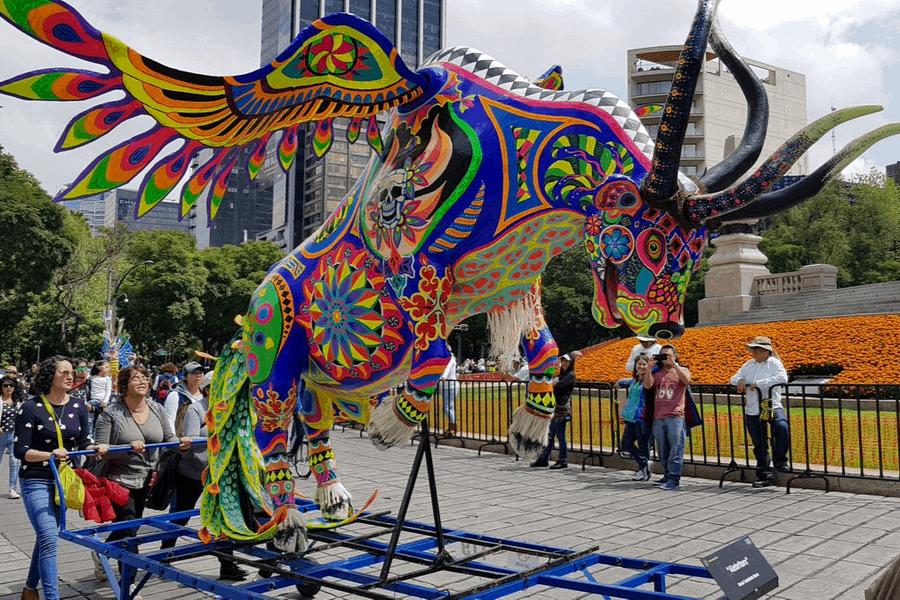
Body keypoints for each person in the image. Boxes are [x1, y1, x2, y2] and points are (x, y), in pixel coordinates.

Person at [14, 356, 108, 600]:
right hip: (35, 479)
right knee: (48, 537)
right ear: (50, 377)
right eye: (63, 372)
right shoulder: (30, 407)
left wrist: (96, 447)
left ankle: (28, 589)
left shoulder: (78, 405)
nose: (70, 376)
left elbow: (84, 441)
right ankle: (52, 596)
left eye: (71, 372)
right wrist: (49, 453)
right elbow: (20, 450)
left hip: (64, 480)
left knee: (46, 537)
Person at [94, 365, 190, 580]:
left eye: (145, 378)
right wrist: (126, 448)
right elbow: (100, 451)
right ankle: (128, 585)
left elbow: (169, 437)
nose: (143, 381)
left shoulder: (156, 408)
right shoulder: (111, 413)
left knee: (131, 526)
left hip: (147, 479)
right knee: (129, 531)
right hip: (118, 481)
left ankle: (101, 552)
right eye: (136, 378)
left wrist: (181, 443)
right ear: (124, 385)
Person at [159, 371, 248, 580]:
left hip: (219, 474)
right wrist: (216, 431)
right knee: (181, 515)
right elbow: (190, 440)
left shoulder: (230, 409)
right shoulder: (196, 409)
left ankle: (227, 565)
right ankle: (164, 555)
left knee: (223, 517)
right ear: (209, 389)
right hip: (192, 472)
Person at [730, 336, 790, 487]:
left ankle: (780, 460)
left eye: (756, 349)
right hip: (753, 408)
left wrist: (759, 384)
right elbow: (734, 377)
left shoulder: (775, 363)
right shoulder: (748, 365)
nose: (753, 351)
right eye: (753, 349)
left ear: (766, 350)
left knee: (781, 427)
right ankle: (764, 473)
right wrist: (739, 381)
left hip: (771, 405)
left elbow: (782, 378)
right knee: (759, 442)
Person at [643, 345, 691, 490]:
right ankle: (667, 473)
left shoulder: (682, 370)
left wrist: (674, 365)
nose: (665, 359)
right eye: (662, 356)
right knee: (662, 449)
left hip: (675, 415)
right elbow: (647, 385)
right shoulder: (658, 373)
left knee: (676, 448)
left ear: (675, 356)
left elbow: (687, 381)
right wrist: (649, 368)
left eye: (668, 355)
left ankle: (674, 478)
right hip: (659, 416)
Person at [530, 353, 576, 470]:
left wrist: (553, 384)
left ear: (571, 363)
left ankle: (562, 460)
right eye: (563, 361)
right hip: (555, 409)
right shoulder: (562, 375)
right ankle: (543, 458)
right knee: (550, 435)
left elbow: (555, 387)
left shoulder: (570, 376)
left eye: (567, 362)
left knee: (560, 436)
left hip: (561, 409)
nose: (564, 363)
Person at [614, 354, 653, 481]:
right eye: (639, 364)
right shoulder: (635, 381)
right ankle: (644, 463)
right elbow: (628, 381)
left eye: (644, 364)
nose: (641, 367)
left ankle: (644, 470)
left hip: (642, 417)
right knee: (626, 443)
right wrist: (620, 381)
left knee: (643, 445)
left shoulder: (649, 380)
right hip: (631, 417)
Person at [163, 362, 206, 433]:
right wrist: (174, 441)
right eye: (194, 373)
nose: (198, 375)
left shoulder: (206, 393)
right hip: (183, 440)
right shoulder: (175, 395)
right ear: (185, 377)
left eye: (200, 372)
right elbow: (169, 420)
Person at [0, 375, 23, 498]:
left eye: (11, 385)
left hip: (15, 435)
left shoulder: (18, 402)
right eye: (5, 385)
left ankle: (12, 489)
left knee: (15, 463)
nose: (8, 388)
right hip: (1, 434)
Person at [440, 352, 459, 436]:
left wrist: (444, 377)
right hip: (445, 386)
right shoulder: (442, 359)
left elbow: (447, 368)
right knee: (449, 407)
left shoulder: (451, 358)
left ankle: (454, 426)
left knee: (447, 408)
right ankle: (451, 426)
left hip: (451, 385)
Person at [88, 361, 112, 425]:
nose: (108, 369)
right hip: (93, 401)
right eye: (106, 367)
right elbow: (83, 371)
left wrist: (105, 401)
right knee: (90, 420)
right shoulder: (92, 377)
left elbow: (108, 391)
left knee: (99, 420)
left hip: (102, 402)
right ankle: (90, 434)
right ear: (100, 368)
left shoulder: (107, 379)